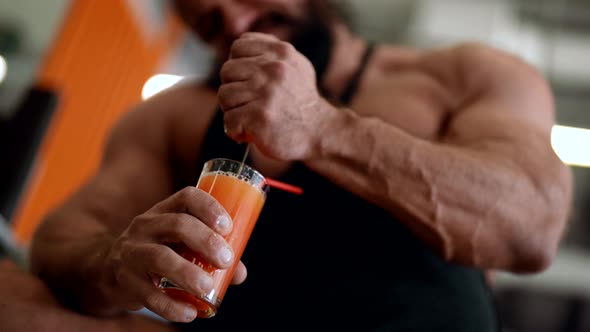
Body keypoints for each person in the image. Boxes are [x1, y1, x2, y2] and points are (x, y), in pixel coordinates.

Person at [0, 0, 573, 331]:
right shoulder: (177, 114)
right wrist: (118, 260)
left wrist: (321, 128)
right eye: (207, 21)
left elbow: (531, 228)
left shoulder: (460, 76)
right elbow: (62, 239)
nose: (234, 23)